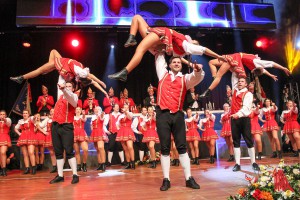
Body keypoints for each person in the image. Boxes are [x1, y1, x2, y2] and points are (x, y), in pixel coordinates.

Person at [108, 14, 225, 82]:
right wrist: (190, 65)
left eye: (195, 42)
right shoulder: (182, 51)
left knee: (140, 49)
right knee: (137, 18)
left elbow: (204, 50)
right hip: (158, 42)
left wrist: (218, 56)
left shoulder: (186, 45)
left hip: (161, 36)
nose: (194, 41)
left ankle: (125, 71)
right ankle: (132, 37)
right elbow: (182, 59)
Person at [155, 53, 203, 191]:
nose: (176, 63)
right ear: (169, 65)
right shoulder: (162, 74)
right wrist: (161, 47)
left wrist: (198, 70)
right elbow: (159, 58)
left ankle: (188, 178)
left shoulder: (185, 79)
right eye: (174, 62)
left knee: (182, 147)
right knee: (164, 148)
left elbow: (196, 77)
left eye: (179, 62)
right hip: (162, 114)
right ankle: (166, 179)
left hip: (177, 115)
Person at [10, 49, 107, 95]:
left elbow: (92, 78)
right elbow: (93, 80)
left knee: (40, 70)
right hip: (64, 66)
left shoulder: (81, 74)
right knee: (53, 52)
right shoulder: (81, 75)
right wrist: (102, 85)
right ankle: (48, 70)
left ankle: (21, 77)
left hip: (63, 67)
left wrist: (101, 84)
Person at [200, 52, 291, 98]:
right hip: (235, 59)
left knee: (212, 64)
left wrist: (271, 75)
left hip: (235, 59)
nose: (252, 71)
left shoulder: (254, 66)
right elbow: (271, 63)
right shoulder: (256, 61)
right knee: (213, 64)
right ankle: (212, 83)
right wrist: (283, 68)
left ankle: (211, 85)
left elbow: (264, 70)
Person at [49, 81, 79, 184]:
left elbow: (71, 99)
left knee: (69, 151)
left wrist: (64, 89)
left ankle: (75, 174)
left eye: (70, 86)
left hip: (66, 126)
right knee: (58, 152)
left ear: (73, 88)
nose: (67, 87)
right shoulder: (61, 96)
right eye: (66, 86)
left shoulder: (74, 97)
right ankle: (60, 175)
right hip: (56, 126)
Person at [230, 77, 260, 172]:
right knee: (236, 141)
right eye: (239, 81)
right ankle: (237, 164)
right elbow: (234, 77)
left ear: (246, 84)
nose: (239, 82)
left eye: (242, 81)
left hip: (244, 119)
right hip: (235, 119)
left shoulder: (248, 94)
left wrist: (237, 114)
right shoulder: (235, 91)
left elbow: (246, 108)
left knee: (249, 141)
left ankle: (253, 162)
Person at [15, 109, 37, 175]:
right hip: (23, 137)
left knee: (31, 152)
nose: (24, 114)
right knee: (25, 154)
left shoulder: (31, 119)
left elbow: (34, 118)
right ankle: (27, 168)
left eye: (26, 113)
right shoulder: (20, 121)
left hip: (31, 136)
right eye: (24, 113)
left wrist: (35, 117)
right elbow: (15, 128)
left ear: (28, 114)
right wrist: (20, 134)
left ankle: (33, 167)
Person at [116, 104, 136, 169]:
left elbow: (130, 117)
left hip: (128, 130)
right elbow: (117, 124)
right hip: (122, 131)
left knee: (130, 147)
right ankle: (128, 163)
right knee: (125, 149)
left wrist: (126, 111)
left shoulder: (130, 113)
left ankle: (133, 162)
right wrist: (119, 129)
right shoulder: (120, 116)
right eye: (124, 107)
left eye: (127, 107)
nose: (125, 108)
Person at [90, 106, 108, 171]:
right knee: (97, 149)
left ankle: (103, 164)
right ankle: (100, 164)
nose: (96, 110)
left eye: (98, 109)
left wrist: (102, 114)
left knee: (101, 147)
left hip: (100, 132)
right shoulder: (93, 117)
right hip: (94, 132)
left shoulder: (101, 115)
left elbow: (102, 118)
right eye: (95, 109)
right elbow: (91, 125)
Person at [40, 108, 57, 173]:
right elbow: (40, 125)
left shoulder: (57, 118)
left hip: (56, 135)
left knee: (58, 151)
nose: (52, 112)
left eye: (53, 111)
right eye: (51, 111)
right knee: (52, 152)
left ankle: (61, 165)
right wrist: (44, 132)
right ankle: (54, 166)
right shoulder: (47, 120)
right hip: (49, 135)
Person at [73, 107, 89, 172]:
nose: (78, 111)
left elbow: (84, 119)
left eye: (79, 109)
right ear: (75, 111)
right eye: (77, 109)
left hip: (82, 133)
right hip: (74, 134)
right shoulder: (72, 118)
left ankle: (84, 164)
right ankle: (78, 165)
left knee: (85, 149)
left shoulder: (82, 117)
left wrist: (84, 114)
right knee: (77, 151)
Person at [0, 110, 12, 176]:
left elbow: (8, 123)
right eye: (1, 114)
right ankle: (2, 169)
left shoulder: (8, 120)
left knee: (3, 152)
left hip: (4, 137)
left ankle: (4, 169)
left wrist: (4, 119)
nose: (2, 115)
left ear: (6, 115)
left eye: (3, 114)